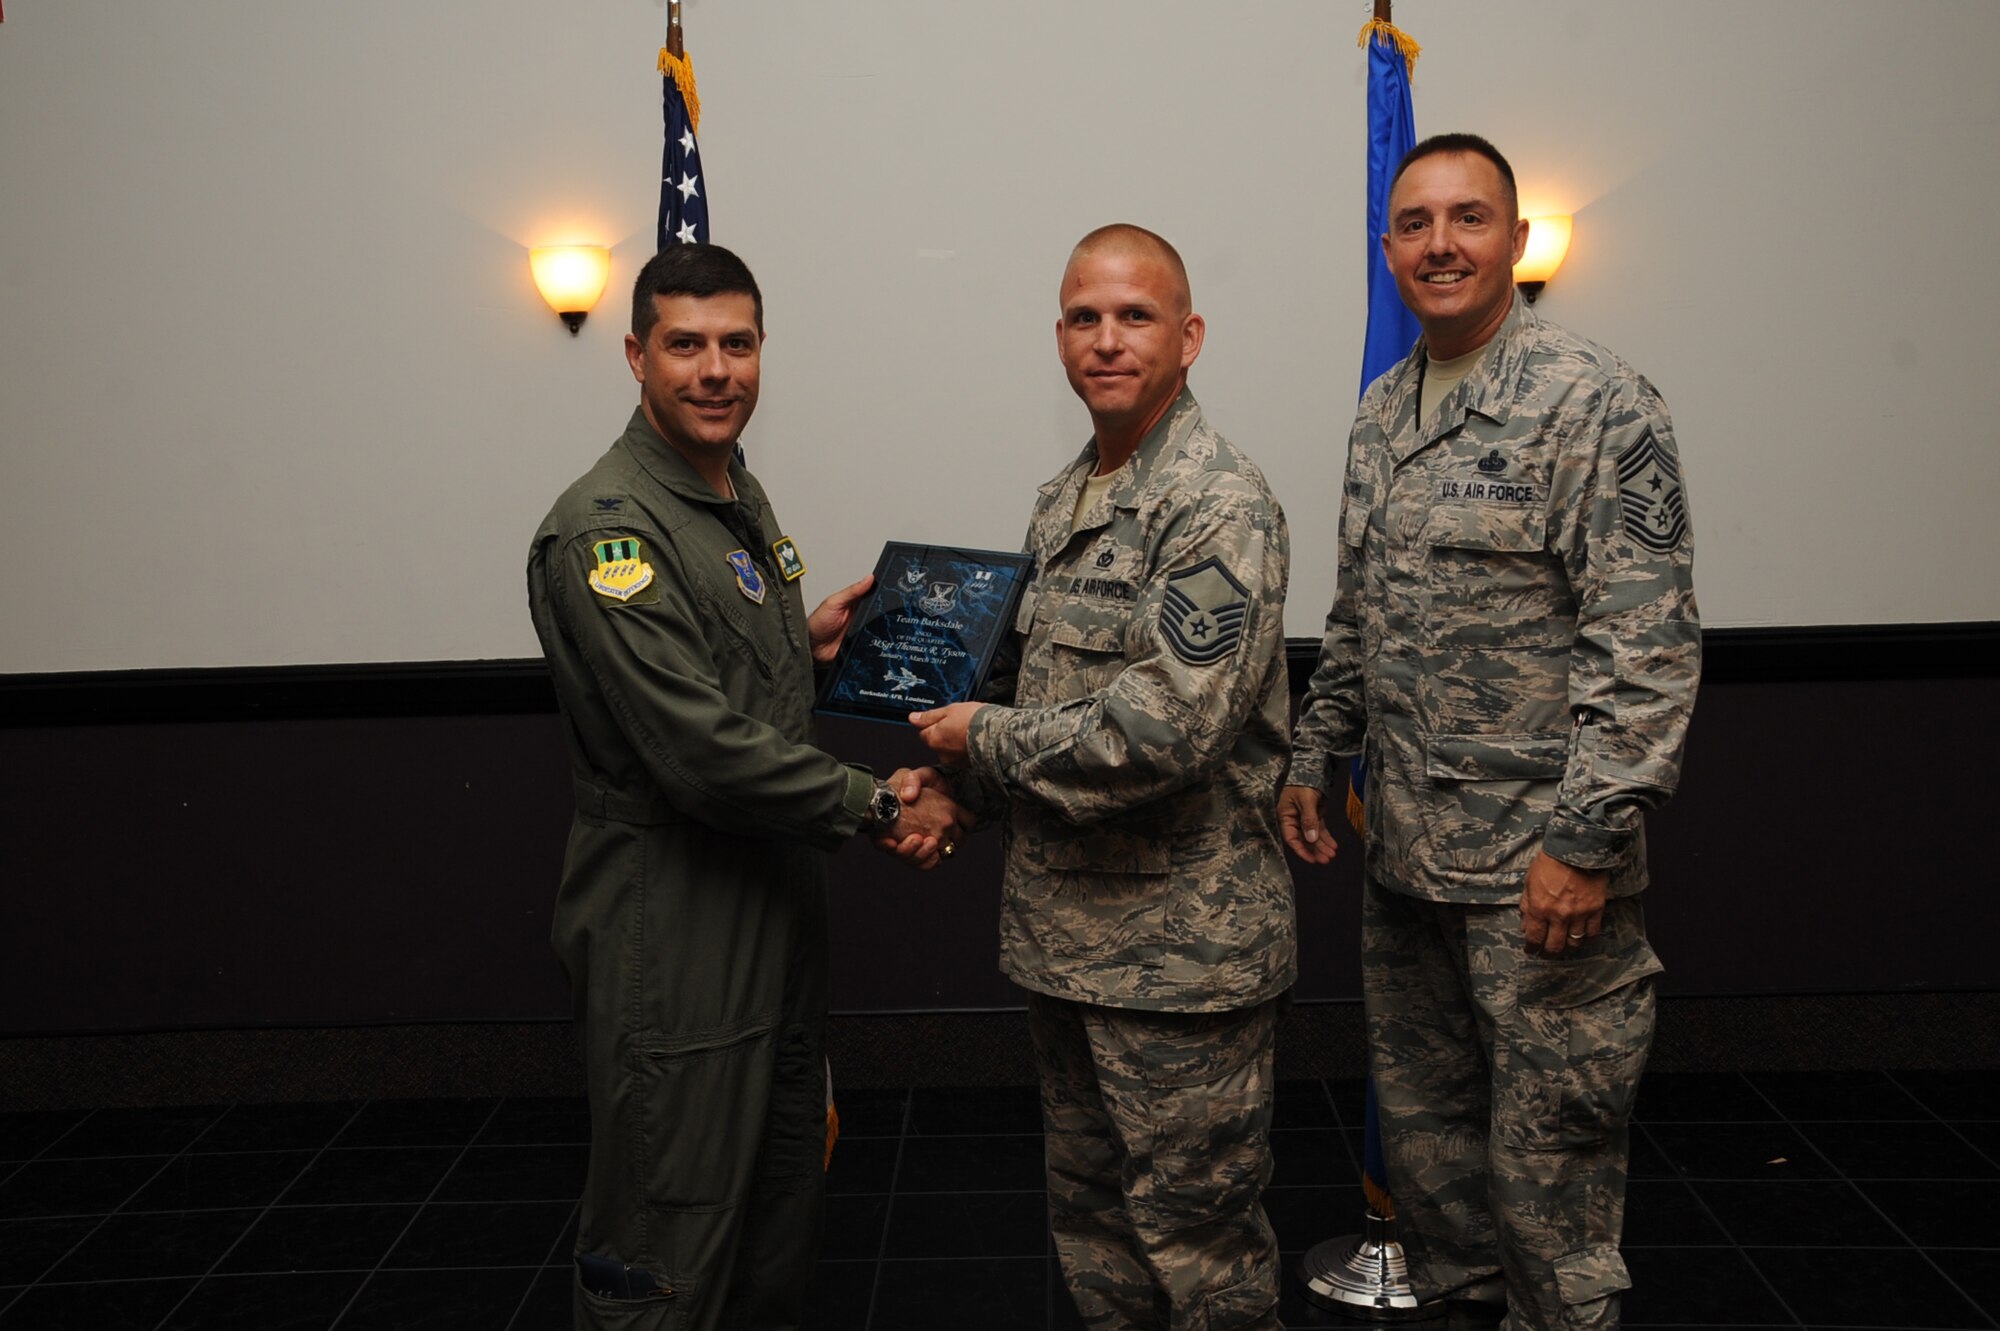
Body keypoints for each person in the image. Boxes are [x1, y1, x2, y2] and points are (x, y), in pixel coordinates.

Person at [1282, 134, 1700, 1330]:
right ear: (1387, 251)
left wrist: (1583, 840)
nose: (1440, 244)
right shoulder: (1383, 411)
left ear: (1514, 241)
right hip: (1407, 865)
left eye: (1467, 218)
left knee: (1549, 1185)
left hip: (1536, 876)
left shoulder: (1592, 399)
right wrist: (1314, 748)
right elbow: (1358, 612)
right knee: (1438, 1178)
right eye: (1414, 223)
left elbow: (1645, 643)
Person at [526, 242, 964, 1331]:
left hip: (771, 904)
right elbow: (696, 748)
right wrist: (877, 804)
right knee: (667, 1237)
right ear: (636, 355)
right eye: (685, 345)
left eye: (737, 343)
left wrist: (800, 649)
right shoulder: (609, 528)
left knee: (775, 1214)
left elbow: (719, 676)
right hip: (672, 922)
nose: (715, 370)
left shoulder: (730, 490)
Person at [907, 224, 1295, 1329]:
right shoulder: (1066, 497)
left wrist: (981, 743)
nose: (1107, 340)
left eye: (1135, 316)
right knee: (1096, 1236)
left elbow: (1167, 728)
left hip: (1180, 961)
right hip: (1066, 942)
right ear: (1059, 337)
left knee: (1199, 1249)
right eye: (1085, 317)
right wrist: (957, 793)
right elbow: (1038, 689)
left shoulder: (1216, 503)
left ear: (1190, 336)